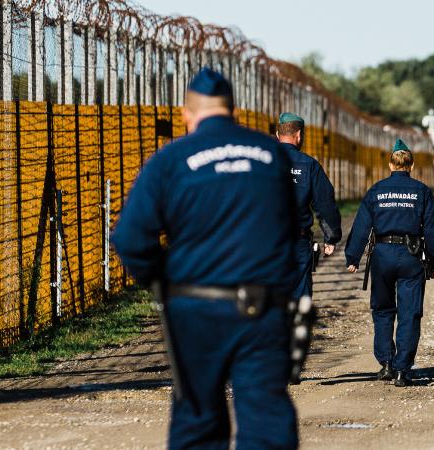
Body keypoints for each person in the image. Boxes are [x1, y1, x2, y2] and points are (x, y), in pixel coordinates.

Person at [111, 68, 299, 449]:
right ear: (234, 111)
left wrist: (165, 281)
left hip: (195, 310)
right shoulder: (272, 156)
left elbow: (130, 238)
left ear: (187, 114)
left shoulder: (170, 160)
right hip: (262, 308)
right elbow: (287, 227)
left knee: (197, 423)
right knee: (266, 423)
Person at [344, 138, 434, 387]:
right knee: (410, 312)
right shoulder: (421, 191)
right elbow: (433, 229)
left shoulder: (377, 190)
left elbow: (361, 225)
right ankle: (402, 369)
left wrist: (353, 256)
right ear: (411, 165)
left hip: (382, 255)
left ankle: (386, 363)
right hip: (411, 256)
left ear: (390, 164)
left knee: (382, 309)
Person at [275, 112, 342, 300]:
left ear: (277, 135)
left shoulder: (261, 161)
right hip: (298, 241)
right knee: (300, 299)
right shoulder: (309, 165)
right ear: (298, 135)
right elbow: (325, 203)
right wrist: (331, 237)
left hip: (264, 242)